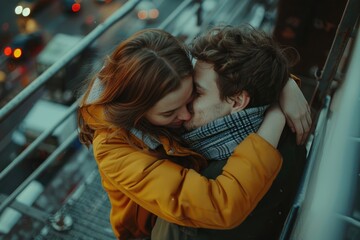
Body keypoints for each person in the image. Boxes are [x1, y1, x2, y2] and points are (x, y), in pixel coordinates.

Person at [77, 28, 310, 240]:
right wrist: (275, 112)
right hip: (151, 227)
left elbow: (241, 70)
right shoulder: (115, 151)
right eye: (169, 112)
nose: (186, 115)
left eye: (192, 95)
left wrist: (283, 82)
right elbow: (220, 205)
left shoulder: (173, 71)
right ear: (138, 111)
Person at [151, 25, 310, 240]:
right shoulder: (287, 130)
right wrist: (285, 84)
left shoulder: (209, 187)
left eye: (197, 92)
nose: (185, 100)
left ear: (237, 101)